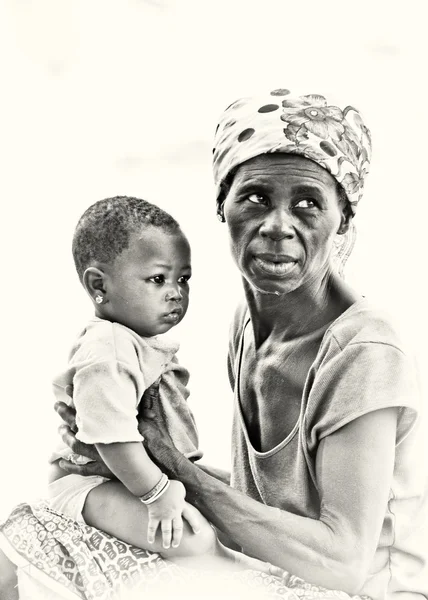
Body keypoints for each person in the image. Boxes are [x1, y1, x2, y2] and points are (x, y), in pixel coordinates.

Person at [1, 89, 427, 600]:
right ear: (222, 205)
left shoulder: (364, 351)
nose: (277, 226)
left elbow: (342, 564)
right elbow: (262, 502)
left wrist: (177, 472)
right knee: (32, 536)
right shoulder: (248, 326)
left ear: (343, 220)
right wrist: (122, 453)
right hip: (278, 568)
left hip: (363, 592)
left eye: (309, 204)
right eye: (255, 197)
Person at [48, 195, 208, 555]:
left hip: (130, 479)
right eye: (157, 279)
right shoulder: (109, 350)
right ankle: (239, 571)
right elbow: (111, 437)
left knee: (214, 508)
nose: (176, 293)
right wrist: (158, 493)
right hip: (90, 485)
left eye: (183, 278)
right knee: (192, 539)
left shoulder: (136, 342)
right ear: (99, 286)